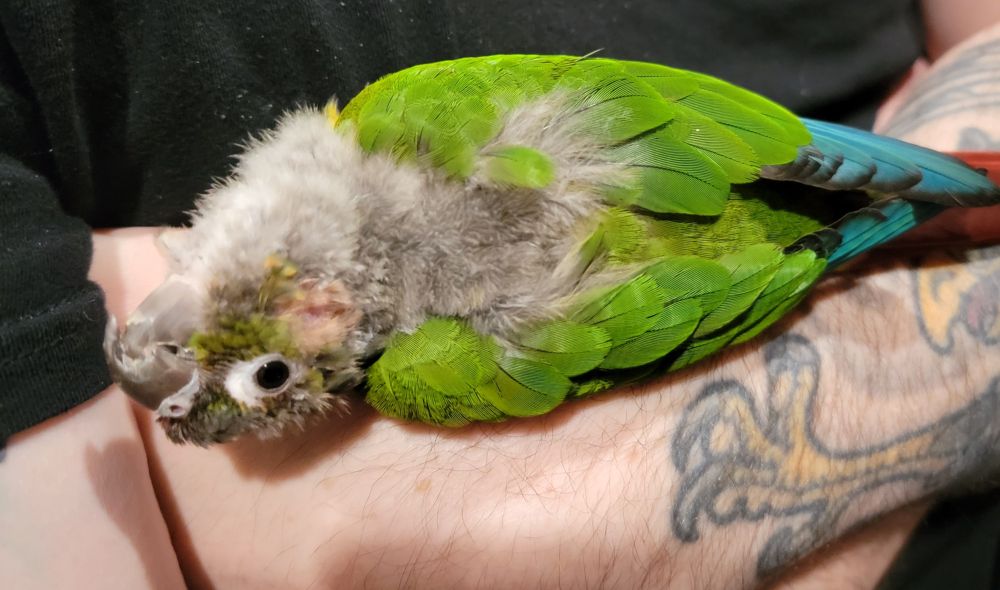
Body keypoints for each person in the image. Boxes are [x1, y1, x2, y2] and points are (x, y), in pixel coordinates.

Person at [1, 1, 999, 588]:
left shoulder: (401, 117)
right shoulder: (430, 362)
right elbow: (361, 545)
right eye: (267, 372)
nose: (194, 331)